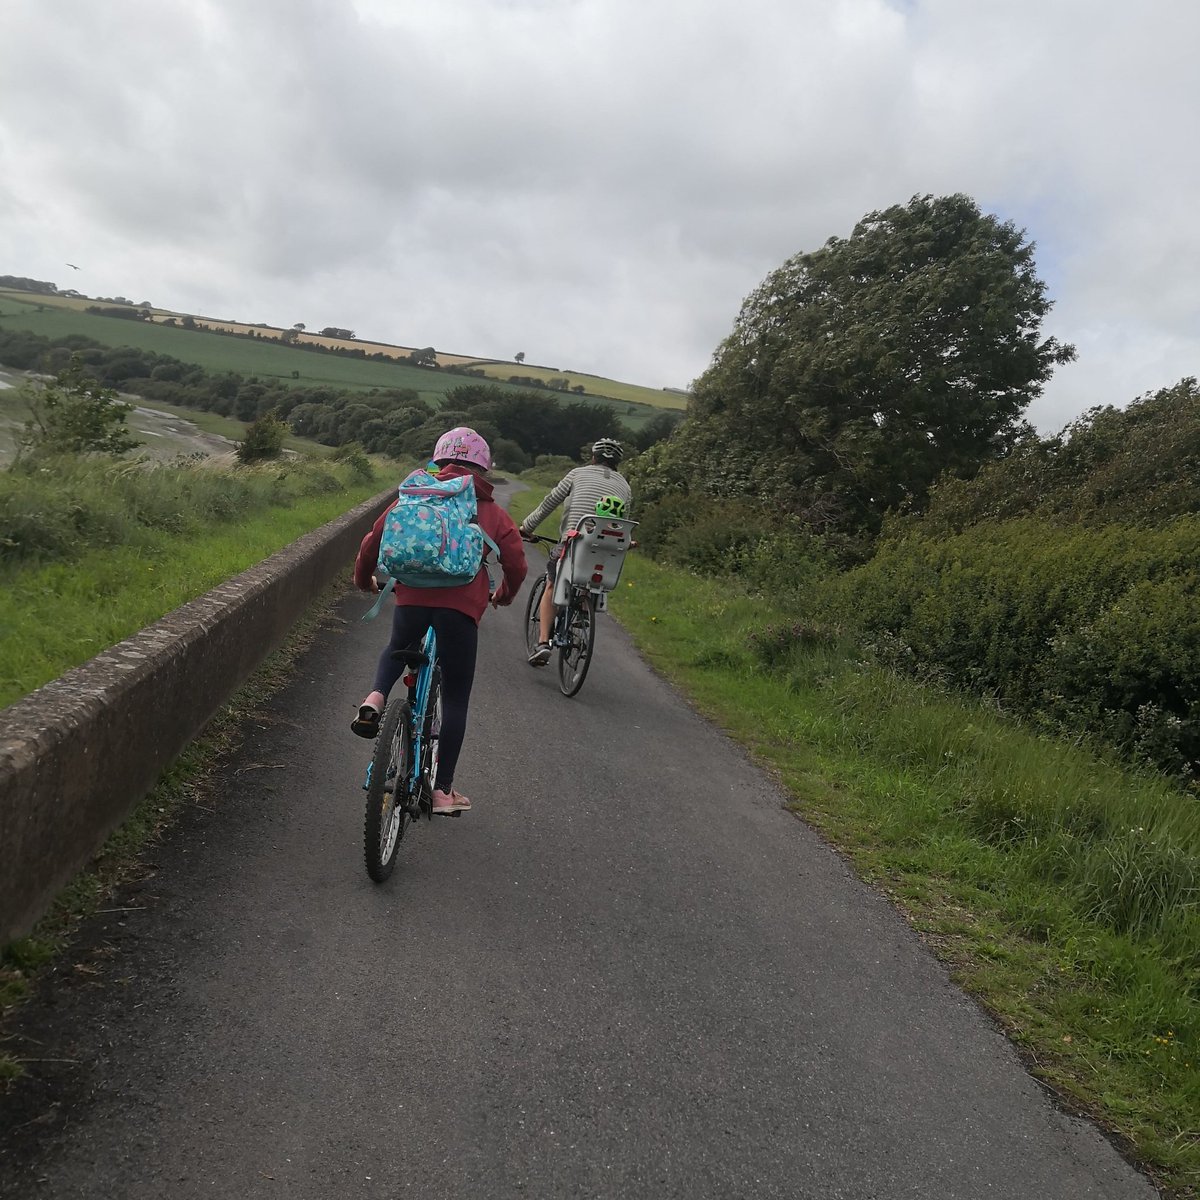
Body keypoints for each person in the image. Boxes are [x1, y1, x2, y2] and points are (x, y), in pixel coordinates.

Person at [352, 427, 527, 814]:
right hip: (460, 609)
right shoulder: (490, 511)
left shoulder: (415, 495)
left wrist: (364, 578)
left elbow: (372, 541)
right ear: (483, 468)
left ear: (438, 459)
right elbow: (515, 562)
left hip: (411, 598)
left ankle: (375, 698)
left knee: (397, 647)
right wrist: (505, 594)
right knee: (456, 697)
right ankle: (443, 792)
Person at [518, 437, 632, 666]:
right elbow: (622, 523)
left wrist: (527, 527)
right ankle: (582, 609)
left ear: (593, 457)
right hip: (606, 550)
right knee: (591, 575)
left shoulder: (577, 474)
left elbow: (550, 502)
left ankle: (542, 643)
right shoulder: (625, 487)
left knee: (552, 583)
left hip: (573, 542)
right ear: (617, 462)